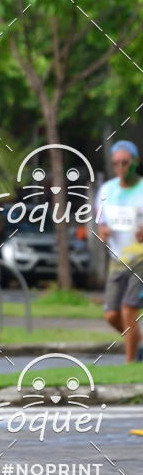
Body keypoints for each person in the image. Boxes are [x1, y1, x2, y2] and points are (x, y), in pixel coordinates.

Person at [96, 139, 143, 362]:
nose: (121, 167)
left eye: (125, 162)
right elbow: (101, 222)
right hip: (117, 259)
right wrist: (103, 230)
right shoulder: (107, 190)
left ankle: (130, 362)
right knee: (111, 314)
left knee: (128, 309)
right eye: (116, 163)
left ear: (135, 162)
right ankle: (137, 344)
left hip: (140, 258)